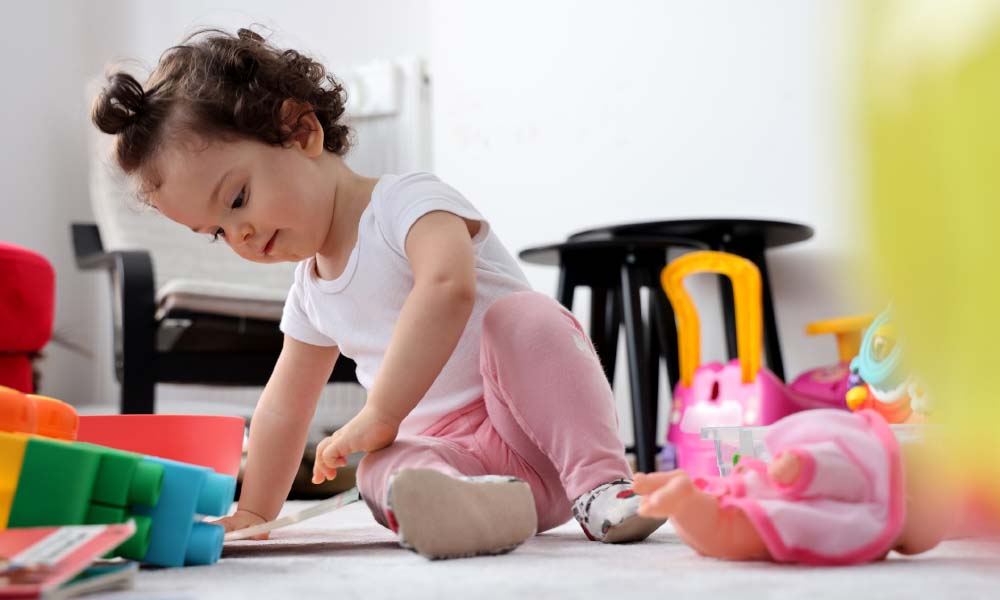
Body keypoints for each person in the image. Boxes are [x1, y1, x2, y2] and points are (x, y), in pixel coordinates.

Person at [91, 27, 664, 559]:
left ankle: (602, 488)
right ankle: (483, 509)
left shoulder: (407, 203)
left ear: (301, 131)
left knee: (524, 317)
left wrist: (381, 413)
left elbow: (447, 288)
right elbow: (284, 407)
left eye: (237, 199)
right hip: (467, 462)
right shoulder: (310, 291)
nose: (238, 234)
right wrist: (257, 511)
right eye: (217, 231)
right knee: (378, 471)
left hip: (533, 425)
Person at [633, 409, 953, 564]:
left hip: (763, 491)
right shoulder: (867, 475)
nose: (896, 545)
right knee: (724, 533)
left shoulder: (869, 515)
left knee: (709, 536)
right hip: (768, 505)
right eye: (906, 543)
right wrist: (805, 466)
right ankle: (682, 496)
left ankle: (680, 490)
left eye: (902, 547)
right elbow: (836, 469)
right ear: (906, 500)